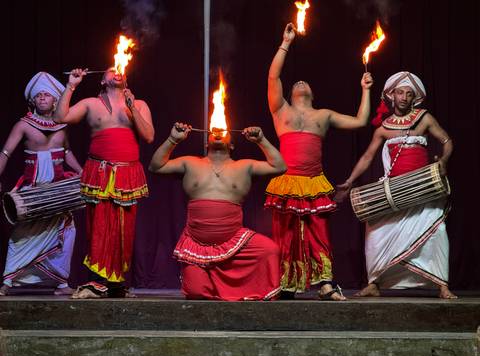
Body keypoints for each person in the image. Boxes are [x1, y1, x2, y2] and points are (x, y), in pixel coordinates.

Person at [264, 23, 373, 300]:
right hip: (288, 182)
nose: (300, 82)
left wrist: (365, 89)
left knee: (319, 232)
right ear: (289, 94)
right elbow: (273, 76)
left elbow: (360, 121)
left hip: (314, 182)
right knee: (286, 235)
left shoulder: (323, 115)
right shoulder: (281, 111)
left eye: (305, 83)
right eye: (295, 83)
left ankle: (325, 284)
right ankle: (287, 284)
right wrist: (285, 42)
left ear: (312, 93)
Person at [336, 71, 456, 299]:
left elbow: (447, 141)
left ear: (414, 98)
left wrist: (443, 160)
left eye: (409, 94)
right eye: (400, 92)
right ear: (391, 95)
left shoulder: (424, 118)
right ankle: (374, 283)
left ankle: (442, 285)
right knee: (375, 233)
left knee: (436, 233)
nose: (404, 97)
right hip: (394, 192)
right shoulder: (383, 128)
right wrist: (350, 181)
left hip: (422, 190)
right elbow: (366, 158)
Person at [149, 124, 286, 300]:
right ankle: (209, 280)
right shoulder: (190, 162)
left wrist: (261, 140)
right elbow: (156, 167)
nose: (219, 131)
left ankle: (237, 290)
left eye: (225, 131)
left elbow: (280, 167)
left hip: (233, 240)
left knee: (269, 250)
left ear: (232, 145)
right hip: (197, 244)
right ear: (206, 143)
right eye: (214, 131)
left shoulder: (245, 166)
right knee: (196, 292)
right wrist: (173, 139)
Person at [53, 68, 154, 298]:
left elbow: (148, 136)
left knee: (123, 229)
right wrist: (72, 85)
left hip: (128, 174)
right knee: (98, 226)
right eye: (111, 70)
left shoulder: (139, 104)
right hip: (99, 173)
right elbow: (60, 117)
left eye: (121, 70)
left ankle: (117, 285)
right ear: (102, 80)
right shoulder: (91, 103)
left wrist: (131, 107)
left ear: (127, 79)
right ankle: (97, 282)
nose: (117, 72)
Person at [0, 72, 82, 296]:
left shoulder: (62, 126)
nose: (43, 98)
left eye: (47, 95)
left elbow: (67, 153)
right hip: (33, 191)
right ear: (33, 101)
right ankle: (8, 282)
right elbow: (5, 153)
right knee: (21, 237)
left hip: (58, 189)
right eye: (39, 96)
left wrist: (82, 171)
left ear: (55, 100)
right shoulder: (23, 125)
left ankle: (61, 283)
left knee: (67, 232)